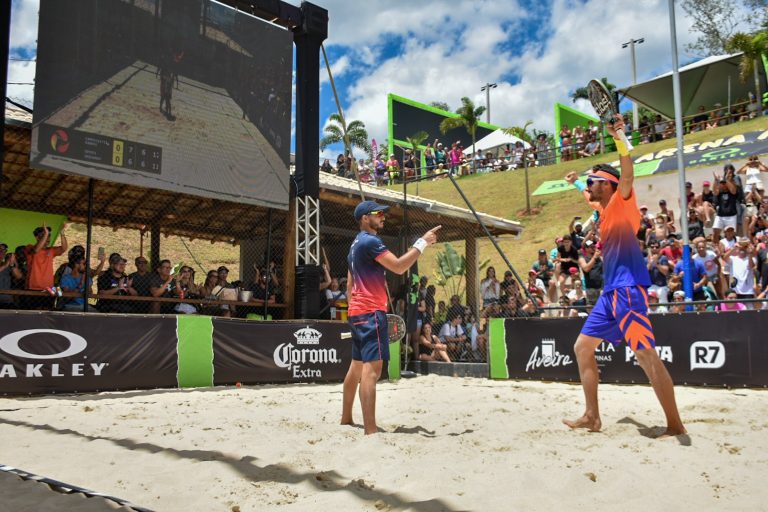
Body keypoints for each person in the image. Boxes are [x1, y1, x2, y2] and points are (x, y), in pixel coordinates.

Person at [563, 114, 685, 437]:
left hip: (629, 290)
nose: (589, 187)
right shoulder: (603, 210)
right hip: (610, 294)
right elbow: (587, 197)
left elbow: (627, 172)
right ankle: (592, 416)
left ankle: (675, 424)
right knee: (582, 347)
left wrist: (619, 135)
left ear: (608, 185)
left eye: (593, 181)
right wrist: (575, 182)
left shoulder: (622, 201)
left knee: (646, 356)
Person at [341, 200, 441, 435]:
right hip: (370, 313)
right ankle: (370, 430)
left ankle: (346, 418)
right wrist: (422, 243)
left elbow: (349, 284)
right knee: (372, 371)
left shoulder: (355, 245)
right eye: (378, 213)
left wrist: (355, 306)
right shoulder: (370, 241)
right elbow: (398, 267)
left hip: (357, 311)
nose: (383, 216)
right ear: (366, 218)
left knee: (356, 367)